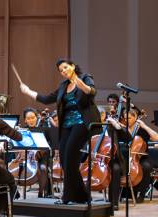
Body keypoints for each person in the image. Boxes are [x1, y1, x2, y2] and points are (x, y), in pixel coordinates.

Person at [19, 58, 99, 205]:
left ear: (73, 66)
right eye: (61, 70)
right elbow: (46, 99)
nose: (63, 71)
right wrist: (28, 91)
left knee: (69, 157)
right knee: (65, 160)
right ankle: (82, 196)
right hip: (66, 126)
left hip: (82, 123)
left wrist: (79, 83)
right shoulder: (63, 86)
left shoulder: (86, 78)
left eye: (65, 68)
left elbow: (91, 92)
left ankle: (67, 197)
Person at [107, 108, 158, 203]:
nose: (127, 120)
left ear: (136, 117)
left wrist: (145, 126)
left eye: (130, 118)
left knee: (146, 167)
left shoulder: (141, 129)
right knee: (118, 167)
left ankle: (142, 194)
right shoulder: (122, 129)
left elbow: (156, 138)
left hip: (141, 157)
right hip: (125, 157)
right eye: (125, 118)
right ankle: (117, 195)